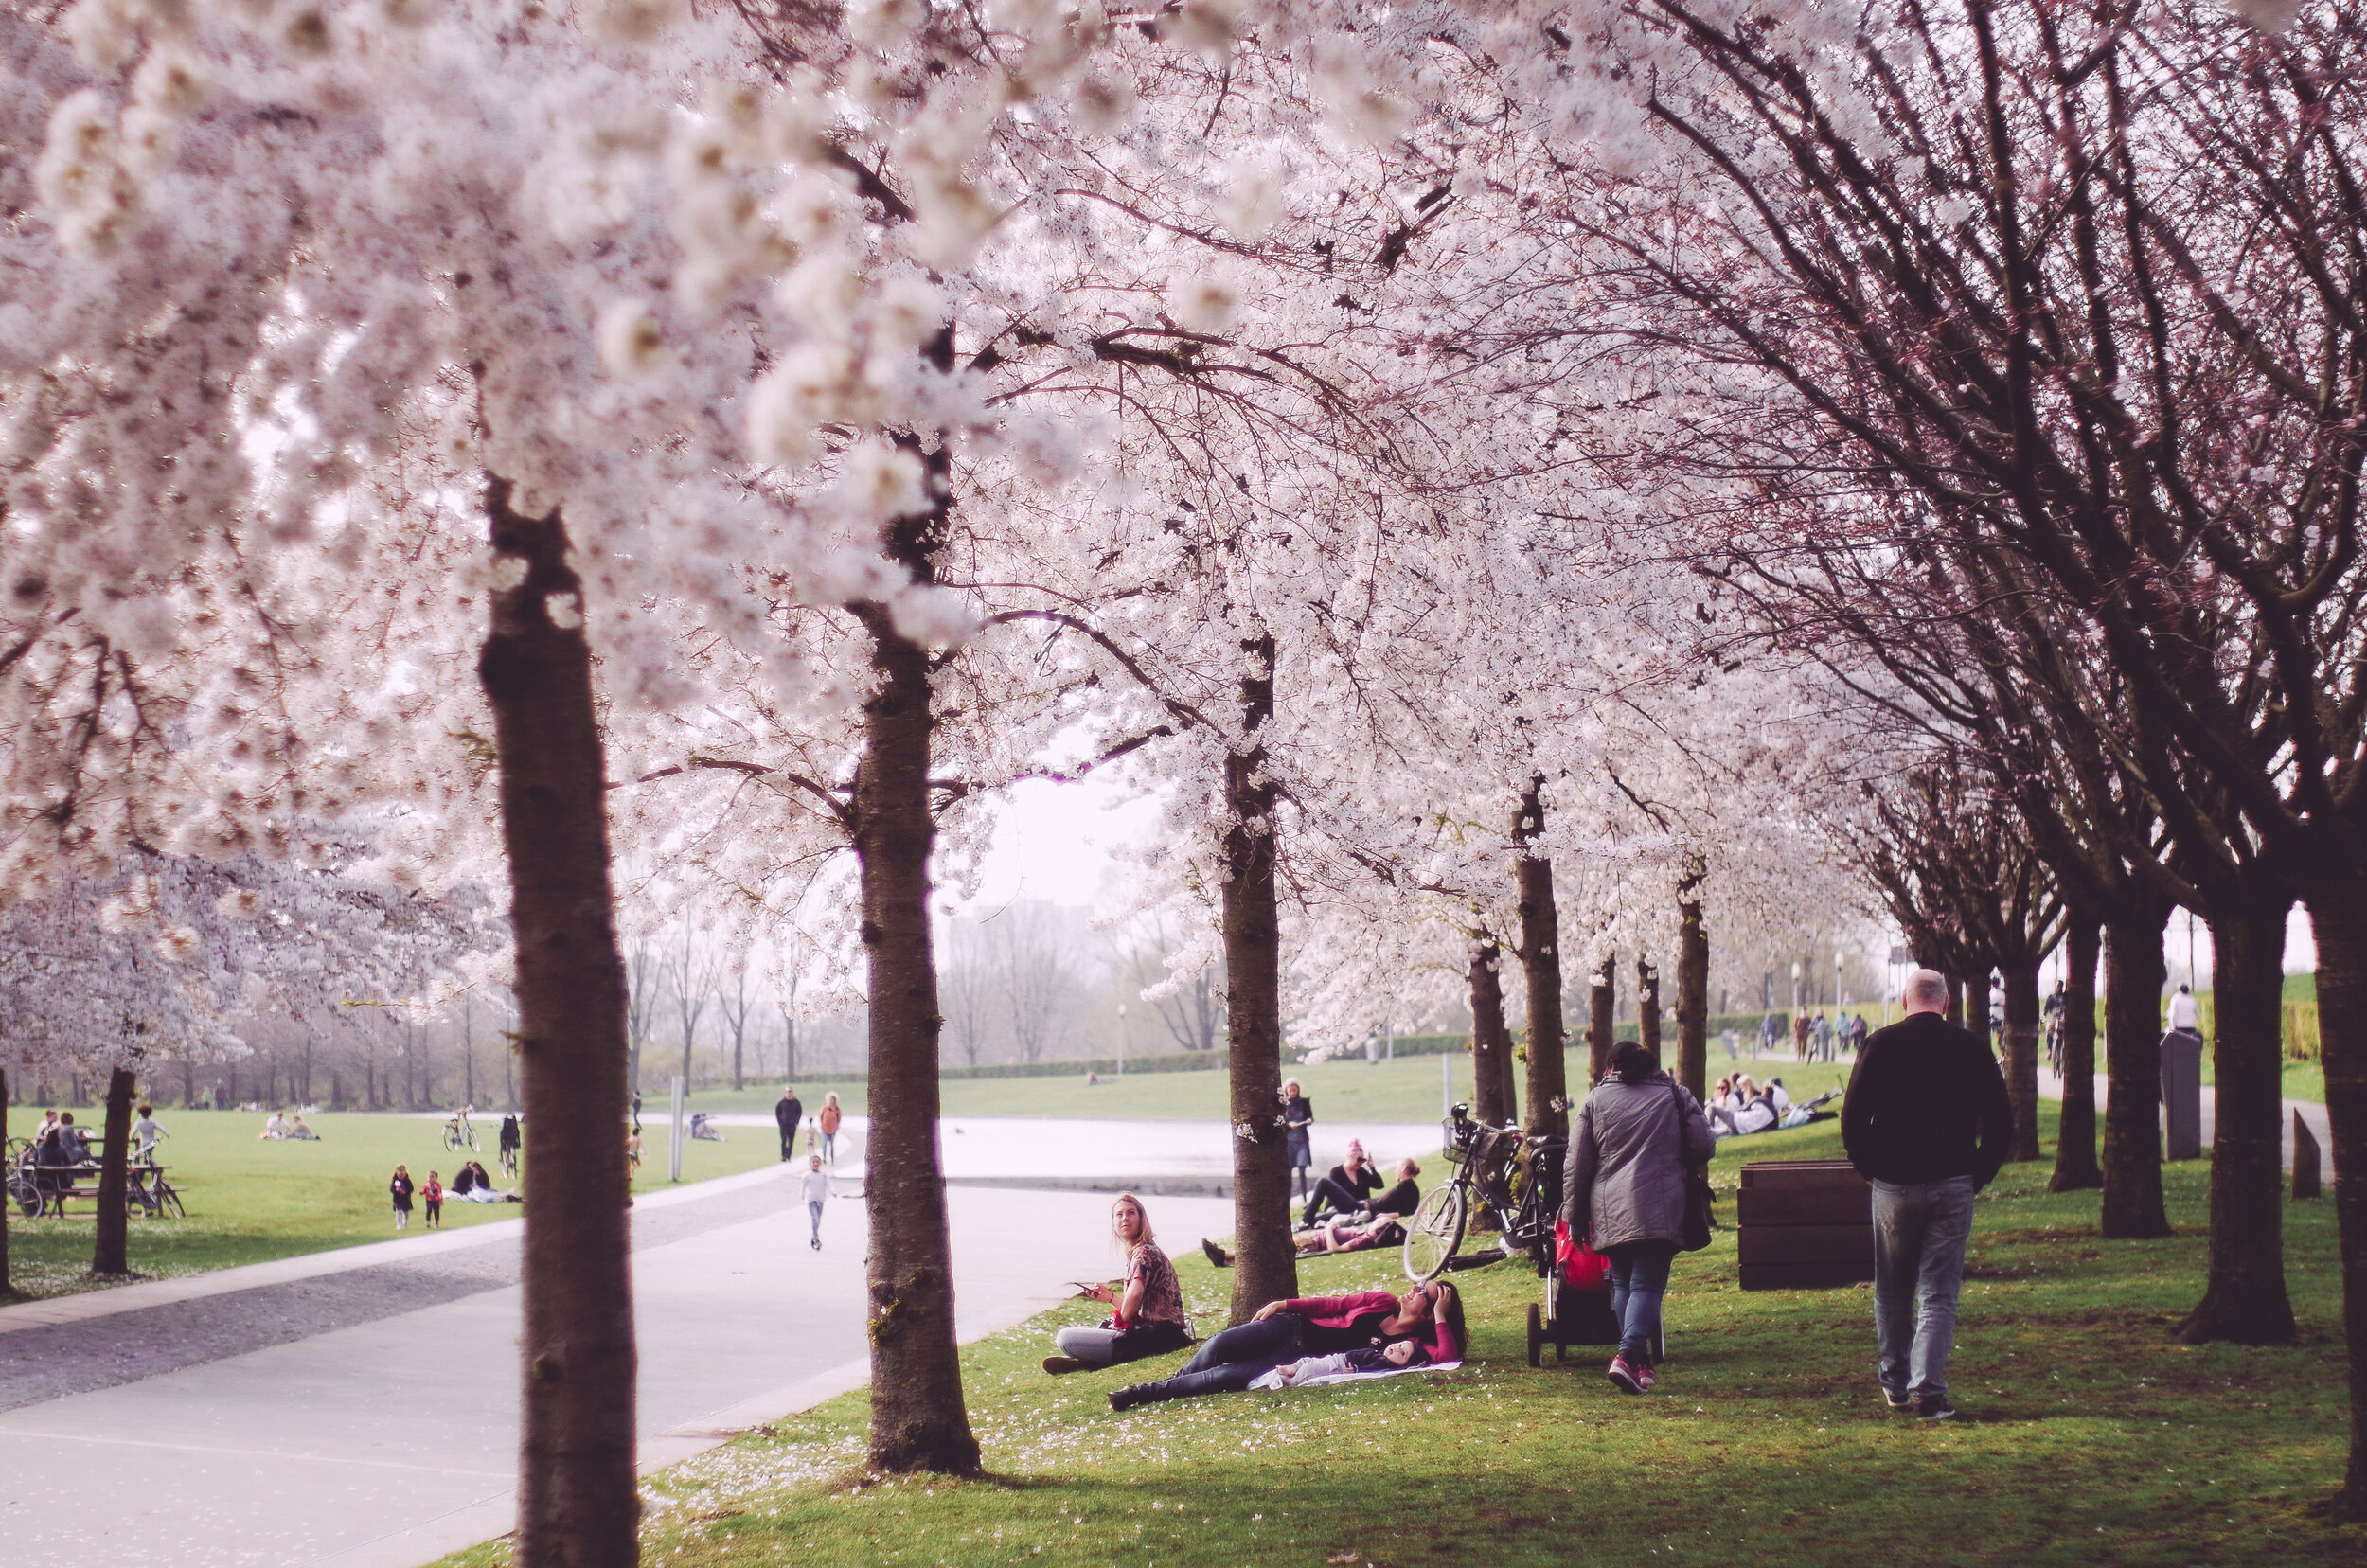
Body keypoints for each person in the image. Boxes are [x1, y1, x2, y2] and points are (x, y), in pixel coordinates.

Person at [1842, 967, 2013, 1421]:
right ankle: (1929, 1390)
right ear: (1946, 1003)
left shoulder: (1878, 1045)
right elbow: (2000, 1122)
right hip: (1953, 1180)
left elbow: (1853, 1118)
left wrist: (1870, 1169)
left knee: (1893, 1289)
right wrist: (1976, 1174)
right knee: (1939, 1291)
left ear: (1904, 1001)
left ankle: (1894, 1382)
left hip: (1893, 1183)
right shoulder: (1974, 1049)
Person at [1561, 1039, 1716, 1394]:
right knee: (1646, 1284)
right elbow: (1703, 1145)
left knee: (1622, 1283)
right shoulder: (1675, 1095)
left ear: (1611, 1065)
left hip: (1609, 1210)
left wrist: (1574, 1215)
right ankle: (1628, 1355)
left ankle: (1640, 1363)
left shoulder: (1595, 1101)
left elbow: (1577, 1164)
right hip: (1658, 1207)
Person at [1107, 1282, 1461, 1410]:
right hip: (1287, 1328)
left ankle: (1141, 1393)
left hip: (1291, 1359)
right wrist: (1285, 1304)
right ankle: (1174, 1381)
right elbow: (1333, 1305)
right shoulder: (1381, 1301)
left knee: (1220, 1378)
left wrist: (1443, 1316)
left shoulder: (1412, 1345)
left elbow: (1447, 1357)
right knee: (1216, 1345)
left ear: (1430, 1315)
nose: (1413, 1289)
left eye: (1422, 1294)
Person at [1044, 1192, 1193, 1373]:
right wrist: (1111, 1298)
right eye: (1119, 1214)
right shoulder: (1148, 1250)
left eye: (1131, 1213)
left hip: (1154, 1339)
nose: (1125, 1219)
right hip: (1167, 1336)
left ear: (1141, 1218)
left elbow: (1135, 1295)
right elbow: (1140, 1307)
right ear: (1113, 1223)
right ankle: (1087, 1361)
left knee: (1064, 1337)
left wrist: (1119, 1322)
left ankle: (1087, 1361)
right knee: (1100, 1328)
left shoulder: (1143, 1253)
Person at [1299, 1139, 1384, 1225]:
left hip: (1359, 1207)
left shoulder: (1362, 1172)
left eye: (1363, 1160)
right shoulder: (1336, 1172)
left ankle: (1306, 1220)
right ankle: (1308, 1220)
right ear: (1350, 1157)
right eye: (1359, 1159)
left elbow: (1379, 1185)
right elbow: (1332, 1199)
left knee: (1323, 1182)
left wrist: (1372, 1167)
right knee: (1323, 1183)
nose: (1361, 1163)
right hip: (1342, 1207)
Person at [1281, 1079, 1313, 1201]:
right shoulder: (1283, 1104)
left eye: (1295, 1090)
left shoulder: (1304, 1102)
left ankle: (1304, 1198)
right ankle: (1287, 1198)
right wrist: (1288, 1124)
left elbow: (1310, 1117)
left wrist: (1309, 1120)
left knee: (1302, 1168)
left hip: (1302, 1140)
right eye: (1291, 1090)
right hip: (1289, 1142)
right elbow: (1280, 1121)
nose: (1293, 1092)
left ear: (1298, 1090)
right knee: (1288, 1170)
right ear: (1287, 1091)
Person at [801, 1153, 829, 1249]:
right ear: (810, 1163)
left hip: (820, 1199)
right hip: (811, 1200)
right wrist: (802, 1195)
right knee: (815, 1219)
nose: (815, 1163)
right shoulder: (807, 1175)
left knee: (818, 1221)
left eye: (817, 1162)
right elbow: (803, 1186)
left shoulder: (823, 1175)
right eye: (814, 1162)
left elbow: (829, 1184)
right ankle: (816, 1240)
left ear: (820, 1163)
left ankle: (813, 1238)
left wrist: (833, 1192)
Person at [775, 1086, 804, 1163]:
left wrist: (797, 1122)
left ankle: (788, 1156)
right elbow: (777, 1112)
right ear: (785, 1092)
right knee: (784, 1140)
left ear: (792, 1092)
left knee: (791, 1140)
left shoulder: (796, 1102)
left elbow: (799, 1112)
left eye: (790, 1091)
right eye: (787, 1091)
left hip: (792, 1124)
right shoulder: (781, 1102)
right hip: (783, 1124)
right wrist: (780, 1122)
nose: (789, 1093)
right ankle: (783, 1155)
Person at [818, 1093, 842, 1164]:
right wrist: (821, 1125)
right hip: (824, 1129)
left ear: (834, 1100)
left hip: (833, 1129)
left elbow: (839, 1118)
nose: (830, 1101)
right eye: (829, 1100)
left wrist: (837, 1126)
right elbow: (820, 1116)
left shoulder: (837, 1109)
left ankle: (832, 1159)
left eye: (832, 1100)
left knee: (831, 1145)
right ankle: (824, 1158)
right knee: (824, 1144)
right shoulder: (824, 1108)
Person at [390, 1164, 415, 1231]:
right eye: (400, 1170)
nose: (401, 1172)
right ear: (396, 1172)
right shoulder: (395, 1180)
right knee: (399, 1211)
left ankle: (405, 1221)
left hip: (406, 1199)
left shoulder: (407, 1180)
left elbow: (411, 1189)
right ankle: (399, 1224)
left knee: (406, 1212)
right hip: (398, 1199)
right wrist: (396, 1190)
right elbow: (391, 1189)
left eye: (403, 1170)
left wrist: (405, 1192)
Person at [499, 1113, 522, 1177]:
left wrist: (502, 1144)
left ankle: (508, 1166)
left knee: (508, 1153)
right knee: (512, 1154)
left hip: (507, 1141)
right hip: (513, 1141)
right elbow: (517, 1135)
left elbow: (502, 1137)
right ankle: (513, 1167)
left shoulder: (504, 1129)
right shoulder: (515, 1128)